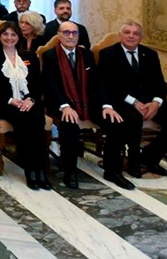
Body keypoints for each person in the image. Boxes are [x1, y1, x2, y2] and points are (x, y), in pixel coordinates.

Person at [42, 21, 131, 189]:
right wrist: (64, 106)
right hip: (61, 104)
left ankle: (112, 170)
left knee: (115, 123)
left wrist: (107, 106)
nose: (70, 36)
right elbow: (51, 84)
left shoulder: (86, 54)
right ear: (59, 35)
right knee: (70, 126)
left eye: (74, 33)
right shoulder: (50, 56)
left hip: (87, 103)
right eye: (66, 32)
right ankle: (70, 172)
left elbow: (98, 81)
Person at [96, 20, 167, 178]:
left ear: (141, 37)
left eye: (136, 33)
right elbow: (110, 86)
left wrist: (156, 103)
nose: (131, 36)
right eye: (127, 32)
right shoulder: (108, 54)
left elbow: (160, 83)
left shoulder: (150, 55)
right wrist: (135, 102)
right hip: (123, 101)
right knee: (134, 119)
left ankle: (150, 157)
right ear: (120, 35)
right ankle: (133, 162)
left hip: (150, 102)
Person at [0, 22, 49, 190]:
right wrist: (11, 100)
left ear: (19, 37)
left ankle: (40, 169)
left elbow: (39, 84)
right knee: (22, 120)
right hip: (2, 103)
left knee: (38, 120)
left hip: (27, 102)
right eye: (5, 34)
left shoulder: (29, 56)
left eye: (13, 35)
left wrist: (31, 100)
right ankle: (29, 169)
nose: (9, 38)